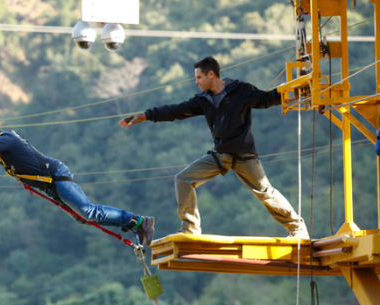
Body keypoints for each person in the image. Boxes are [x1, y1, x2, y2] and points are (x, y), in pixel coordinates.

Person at [119, 56, 308, 238]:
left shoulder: (240, 90)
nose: (196, 82)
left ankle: (298, 229)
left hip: (244, 155)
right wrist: (145, 115)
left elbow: (267, 99)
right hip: (220, 155)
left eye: (198, 77)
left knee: (266, 193)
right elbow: (175, 110)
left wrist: (292, 88)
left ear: (211, 75)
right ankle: (190, 228)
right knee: (182, 180)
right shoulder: (204, 100)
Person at [0, 117, 156, 245]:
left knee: (89, 212)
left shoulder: (6, 140)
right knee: (83, 219)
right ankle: (132, 225)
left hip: (56, 177)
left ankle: (139, 221)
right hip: (51, 185)